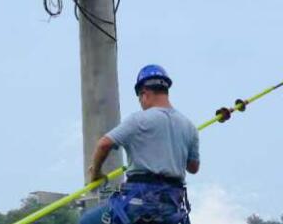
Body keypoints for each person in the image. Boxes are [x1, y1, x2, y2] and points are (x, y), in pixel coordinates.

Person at [80, 64, 200, 224]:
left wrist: (96, 173)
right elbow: (193, 168)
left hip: (138, 205)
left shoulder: (139, 120)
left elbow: (104, 144)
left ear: (144, 93)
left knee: (87, 221)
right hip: (171, 210)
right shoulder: (189, 127)